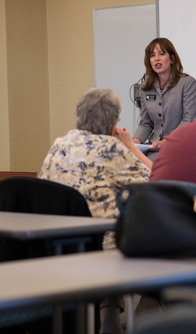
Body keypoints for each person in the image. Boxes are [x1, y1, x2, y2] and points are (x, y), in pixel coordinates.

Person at [39, 87, 151, 334]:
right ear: (112, 124)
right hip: (101, 245)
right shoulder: (112, 149)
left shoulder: (59, 145)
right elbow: (157, 181)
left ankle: (109, 313)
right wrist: (131, 147)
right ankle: (120, 317)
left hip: (57, 244)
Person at [132, 37, 196, 160]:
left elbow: (189, 121)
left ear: (172, 59)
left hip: (179, 146)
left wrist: (166, 142)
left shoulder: (187, 83)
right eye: (152, 55)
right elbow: (146, 123)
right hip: (152, 146)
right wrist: (135, 141)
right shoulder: (145, 87)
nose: (156, 58)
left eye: (161, 54)